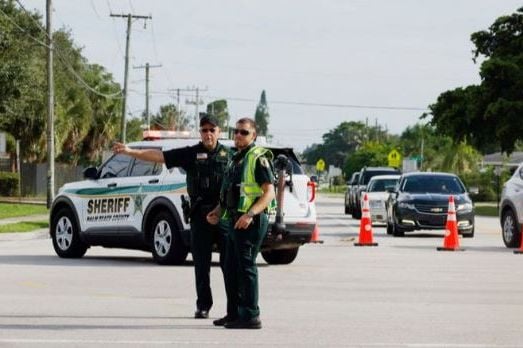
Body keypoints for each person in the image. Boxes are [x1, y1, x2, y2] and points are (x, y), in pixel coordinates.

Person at [112, 115, 232, 320]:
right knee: (201, 264)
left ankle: (234, 308)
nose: (208, 134)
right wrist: (131, 151)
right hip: (200, 214)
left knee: (229, 264)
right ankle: (203, 305)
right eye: (204, 130)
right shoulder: (192, 153)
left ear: (219, 132)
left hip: (224, 214)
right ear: (200, 132)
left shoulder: (229, 156)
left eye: (212, 130)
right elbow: (160, 157)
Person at [207, 117, 275, 329]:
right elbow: (231, 192)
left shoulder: (257, 157)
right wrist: (218, 211)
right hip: (235, 219)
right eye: (236, 131)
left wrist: (250, 214)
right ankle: (234, 312)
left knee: (246, 266)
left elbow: (269, 193)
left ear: (253, 135)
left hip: (251, 221)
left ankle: (251, 315)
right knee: (231, 266)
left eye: (244, 132)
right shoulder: (236, 158)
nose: (238, 135)